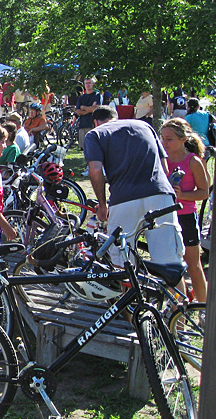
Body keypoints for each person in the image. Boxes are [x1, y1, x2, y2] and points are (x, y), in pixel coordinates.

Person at [84, 105, 185, 269]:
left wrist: (102, 205)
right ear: (116, 117)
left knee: (124, 262)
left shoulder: (95, 134)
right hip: (159, 194)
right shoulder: (145, 126)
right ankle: (177, 295)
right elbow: (164, 168)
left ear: (96, 122)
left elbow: (95, 170)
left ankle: (130, 293)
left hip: (124, 200)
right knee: (170, 262)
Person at [160, 118, 209, 302]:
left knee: (193, 266)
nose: (164, 143)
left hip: (186, 216)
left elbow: (204, 192)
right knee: (170, 265)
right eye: (162, 138)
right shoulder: (161, 160)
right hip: (166, 217)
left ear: (183, 139)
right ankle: (178, 306)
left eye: (169, 139)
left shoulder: (193, 161)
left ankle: (203, 307)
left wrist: (182, 195)